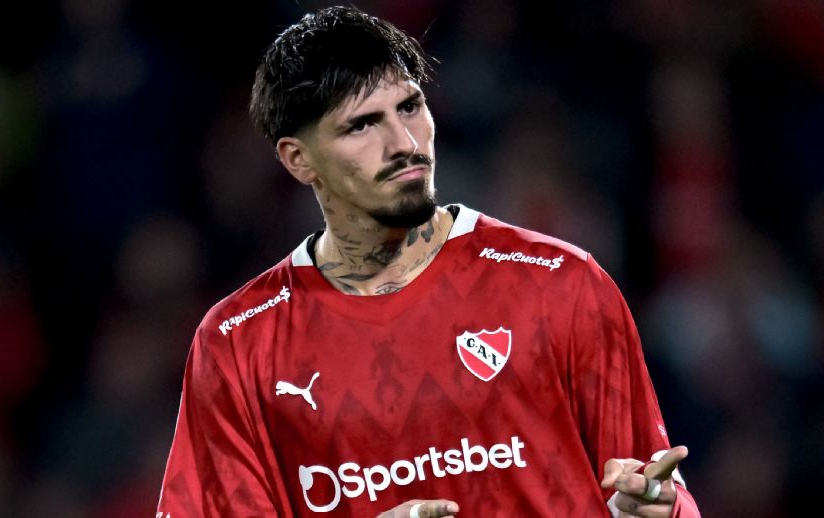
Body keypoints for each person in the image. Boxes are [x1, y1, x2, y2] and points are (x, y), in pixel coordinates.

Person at [156, 6, 701, 517]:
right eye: (362, 125)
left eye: (410, 107)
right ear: (299, 160)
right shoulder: (239, 344)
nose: (404, 143)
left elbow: (653, 488)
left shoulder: (559, 284)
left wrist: (658, 506)